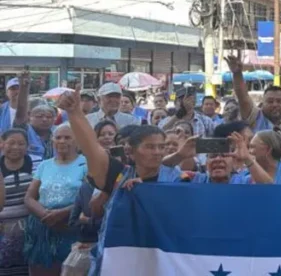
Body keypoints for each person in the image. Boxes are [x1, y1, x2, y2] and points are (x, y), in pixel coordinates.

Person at [56, 87, 191, 276]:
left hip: (163, 261)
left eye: (161, 147)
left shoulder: (177, 178)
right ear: (131, 152)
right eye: (150, 147)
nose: (158, 152)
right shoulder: (118, 176)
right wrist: (75, 112)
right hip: (121, 261)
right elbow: (91, 148)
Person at [24, 124, 88, 276]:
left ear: (77, 141)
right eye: (58, 137)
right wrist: (46, 215)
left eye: (67, 137)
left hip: (71, 227)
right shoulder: (44, 165)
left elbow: (90, 198)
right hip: (43, 226)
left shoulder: (86, 163)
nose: (62, 141)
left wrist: (62, 213)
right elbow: (29, 197)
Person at [225, 56, 281, 167]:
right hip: (261, 178)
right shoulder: (254, 118)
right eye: (270, 101)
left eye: (279, 101)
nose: (275, 104)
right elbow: (243, 97)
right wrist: (237, 74)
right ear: (262, 103)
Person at [1, 128, 35, 276]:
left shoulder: (39, 164)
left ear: (28, 146)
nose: (16, 147)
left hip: (32, 232)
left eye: (21, 143)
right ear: (2, 144)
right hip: (3, 233)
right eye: (11, 143)